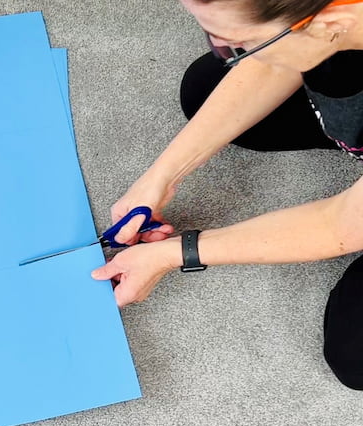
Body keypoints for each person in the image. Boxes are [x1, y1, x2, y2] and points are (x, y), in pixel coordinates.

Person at [90, 0, 363, 390]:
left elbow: (341, 223)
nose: (230, 53)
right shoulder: (334, 19)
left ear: (331, 24)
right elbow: (270, 63)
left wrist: (172, 253)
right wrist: (162, 177)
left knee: (353, 354)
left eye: (239, 45)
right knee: (205, 88)